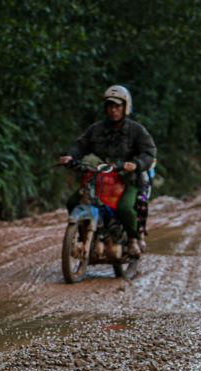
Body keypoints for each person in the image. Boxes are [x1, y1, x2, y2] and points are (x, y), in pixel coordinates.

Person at [61, 85, 156, 258]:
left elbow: (149, 153)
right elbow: (80, 145)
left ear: (126, 107)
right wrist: (70, 157)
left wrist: (136, 164)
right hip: (99, 178)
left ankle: (133, 239)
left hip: (127, 179)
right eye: (110, 106)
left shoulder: (136, 130)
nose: (113, 110)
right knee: (73, 202)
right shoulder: (95, 129)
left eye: (118, 106)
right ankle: (85, 237)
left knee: (125, 208)